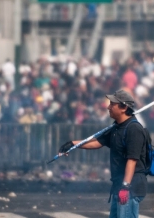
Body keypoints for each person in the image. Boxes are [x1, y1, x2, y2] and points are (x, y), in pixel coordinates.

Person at [59, 89, 148, 218]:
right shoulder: (116, 127)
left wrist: (125, 187)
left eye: (112, 104)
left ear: (123, 108)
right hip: (119, 185)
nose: (108, 107)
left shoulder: (134, 129)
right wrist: (72, 144)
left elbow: (132, 159)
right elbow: (98, 142)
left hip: (130, 187)